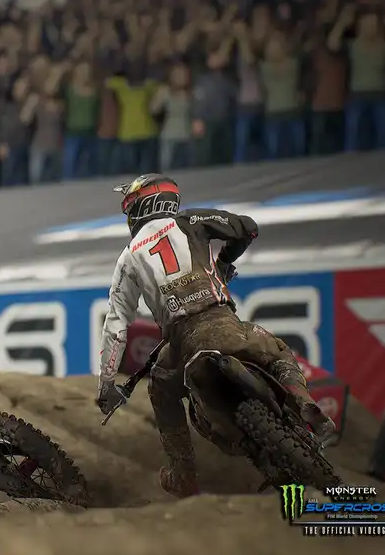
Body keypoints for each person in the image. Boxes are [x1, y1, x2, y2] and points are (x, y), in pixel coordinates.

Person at [94, 173, 335, 499]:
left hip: (182, 343)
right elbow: (248, 227)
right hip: (224, 324)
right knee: (278, 351)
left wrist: (107, 386)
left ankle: (183, 473)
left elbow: (115, 326)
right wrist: (222, 263)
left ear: (141, 205)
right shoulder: (190, 221)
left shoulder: (127, 258)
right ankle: (306, 405)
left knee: (160, 390)